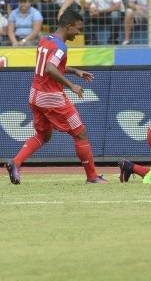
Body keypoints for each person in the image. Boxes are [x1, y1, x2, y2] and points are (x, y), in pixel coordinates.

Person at [5, 10, 106, 185]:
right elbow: (51, 69)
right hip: (51, 97)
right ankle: (92, 177)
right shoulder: (60, 47)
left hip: (35, 95)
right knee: (80, 133)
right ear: (68, 26)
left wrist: (74, 70)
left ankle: (15, 162)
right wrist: (72, 85)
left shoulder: (45, 40)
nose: (78, 33)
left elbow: (48, 65)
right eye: (77, 29)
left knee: (43, 135)